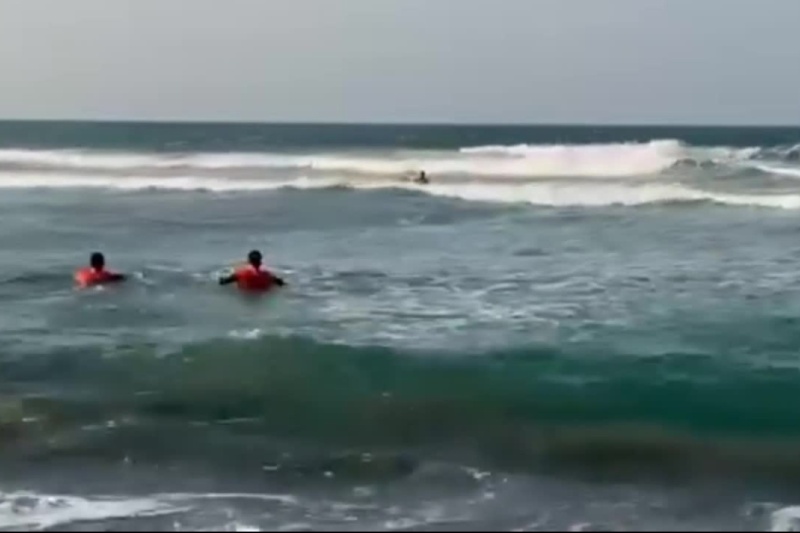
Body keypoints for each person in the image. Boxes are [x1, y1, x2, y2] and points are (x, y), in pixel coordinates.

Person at [219, 250, 285, 293]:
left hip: (245, 296)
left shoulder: (241, 273)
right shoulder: (268, 274)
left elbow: (223, 282)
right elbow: (281, 283)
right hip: (262, 296)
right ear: (260, 260)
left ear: (249, 260)